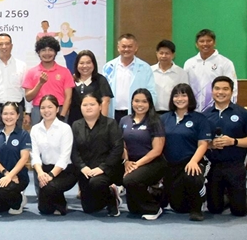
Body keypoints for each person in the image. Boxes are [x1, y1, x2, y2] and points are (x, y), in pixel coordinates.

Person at [161, 83, 212, 221]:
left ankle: (197, 208)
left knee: (192, 175)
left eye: (184, 95)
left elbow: (203, 144)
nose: (180, 99)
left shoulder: (200, 119)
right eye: (176, 96)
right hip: (171, 165)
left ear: (190, 97)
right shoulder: (164, 119)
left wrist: (194, 161)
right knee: (179, 207)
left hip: (191, 161)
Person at [203, 76, 247, 217]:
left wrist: (233, 141)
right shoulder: (205, 115)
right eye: (217, 89)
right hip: (214, 166)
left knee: (239, 211)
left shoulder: (243, 113)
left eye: (225, 89)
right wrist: (211, 145)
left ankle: (239, 196)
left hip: (235, 165)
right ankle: (226, 195)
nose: (221, 92)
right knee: (214, 209)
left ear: (231, 91)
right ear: (212, 91)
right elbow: (199, 142)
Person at [71, 93, 124, 217]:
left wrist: (102, 168)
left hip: (107, 169)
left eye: (92, 104)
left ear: (100, 106)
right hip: (86, 171)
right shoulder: (76, 125)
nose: (88, 107)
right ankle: (104, 197)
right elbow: (73, 150)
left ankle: (111, 197)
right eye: (85, 105)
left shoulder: (110, 123)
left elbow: (117, 148)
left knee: (97, 183)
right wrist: (82, 167)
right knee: (89, 208)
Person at [119, 89, 167, 220]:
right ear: (132, 102)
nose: (140, 105)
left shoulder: (155, 121)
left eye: (144, 101)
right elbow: (122, 145)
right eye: (136, 101)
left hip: (153, 162)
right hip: (131, 162)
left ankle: (154, 208)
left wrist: (136, 165)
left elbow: (157, 150)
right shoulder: (124, 120)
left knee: (130, 180)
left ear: (150, 103)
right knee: (133, 209)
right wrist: (126, 162)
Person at [31, 95, 77, 215]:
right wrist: (40, 173)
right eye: (43, 108)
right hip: (45, 171)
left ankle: (61, 204)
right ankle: (55, 197)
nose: (46, 110)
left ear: (57, 109)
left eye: (50, 107)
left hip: (65, 171)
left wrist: (51, 175)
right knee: (44, 209)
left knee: (50, 187)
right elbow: (35, 155)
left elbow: (64, 157)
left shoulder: (65, 128)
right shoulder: (35, 129)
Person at [0, 102, 31, 215]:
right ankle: (11, 197)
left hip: (18, 177)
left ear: (18, 116)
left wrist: (11, 176)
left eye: (12, 114)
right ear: (1, 115)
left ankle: (19, 201)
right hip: (1, 175)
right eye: (5, 114)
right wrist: (6, 174)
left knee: (0, 190)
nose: (8, 117)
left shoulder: (24, 134)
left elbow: (24, 158)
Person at [102, 33, 157, 122]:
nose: (126, 49)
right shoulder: (109, 67)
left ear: (136, 48)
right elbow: (102, 93)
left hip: (136, 113)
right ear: (118, 47)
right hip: (112, 113)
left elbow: (151, 93)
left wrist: (146, 112)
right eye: (123, 46)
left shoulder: (145, 68)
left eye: (130, 46)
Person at [23, 36, 74, 125]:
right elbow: (28, 97)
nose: (47, 53)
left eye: (50, 50)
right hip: (38, 110)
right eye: (43, 50)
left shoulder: (65, 71)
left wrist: (62, 115)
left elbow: (68, 97)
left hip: (59, 110)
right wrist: (40, 83)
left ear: (55, 52)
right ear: (38, 53)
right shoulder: (31, 72)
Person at [184, 29, 237, 112]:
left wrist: (229, 109)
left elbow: (233, 88)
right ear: (196, 44)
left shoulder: (225, 63)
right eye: (202, 41)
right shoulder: (189, 63)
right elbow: (185, 87)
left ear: (214, 43)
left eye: (209, 41)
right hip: (194, 111)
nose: (205, 44)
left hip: (217, 110)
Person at [0, 33, 30, 131]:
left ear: (12, 46)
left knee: (16, 139)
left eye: (7, 44)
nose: (4, 47)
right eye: (1, 44)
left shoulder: (22, 66)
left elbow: (26, 91)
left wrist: (28, 112)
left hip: (16, 109)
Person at [67, 50, 113, 125]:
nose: (85, 66)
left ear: (94, 64)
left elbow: (105, 101)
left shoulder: (100, 80)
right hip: (74, 123)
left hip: (95, 123)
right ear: (76, 65)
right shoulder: (71, 79)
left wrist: (102, 124)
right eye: (81, 63)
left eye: (88, 63)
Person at [151, 40, 188, 114]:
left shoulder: (181, 73)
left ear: (173, 55)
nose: (163, 56)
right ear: (156, 54)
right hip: (152, 112)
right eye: (161, 53)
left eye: (167, 53)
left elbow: (185, 93)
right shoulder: (149, 71)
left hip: (173, 113)